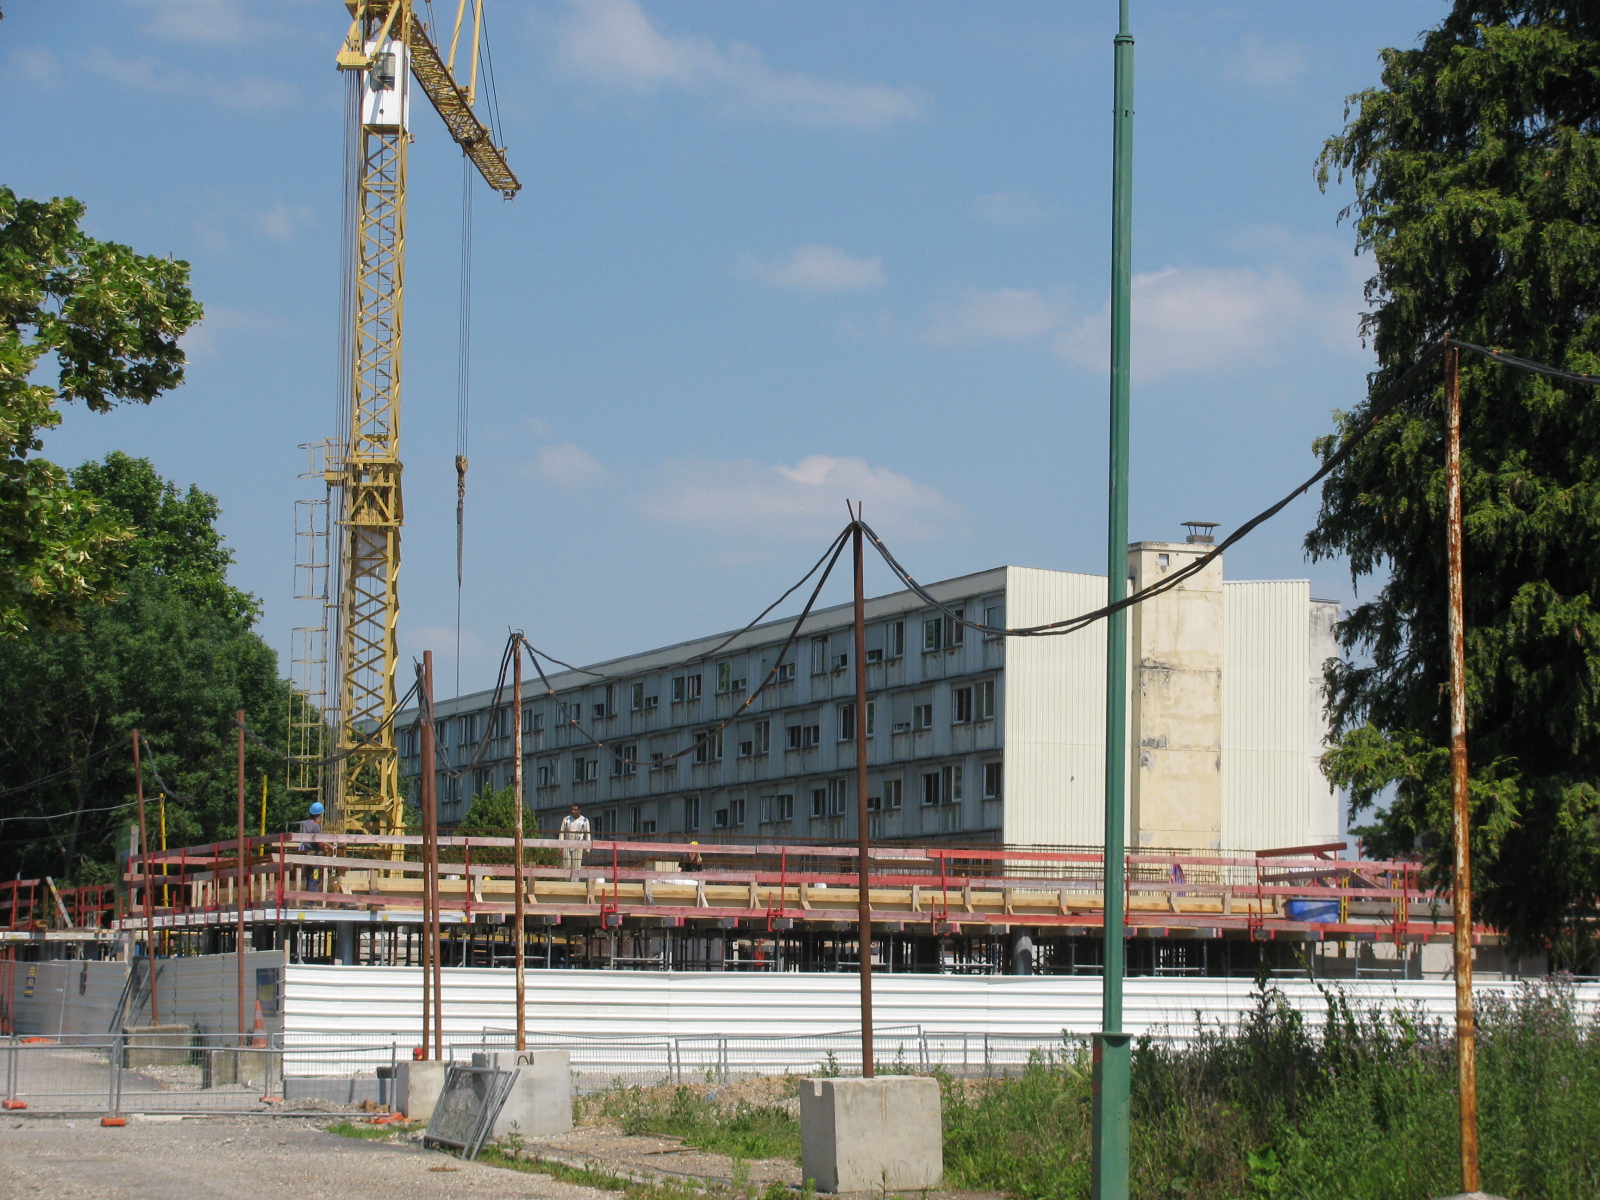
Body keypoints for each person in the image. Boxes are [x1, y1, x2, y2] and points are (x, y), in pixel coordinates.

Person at [559, 804, 591, 879]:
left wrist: (587, 849)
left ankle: (575, 884)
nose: (573, 811)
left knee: (576, 867)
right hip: (567, 845)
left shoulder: (584, 820)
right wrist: (560, 846)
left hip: (578, 846)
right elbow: (561, 833)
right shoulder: (566, 819)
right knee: (566, 866)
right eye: (572, 810)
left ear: (579, 811)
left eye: (575, 810)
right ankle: (566, 884)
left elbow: (587, 835)